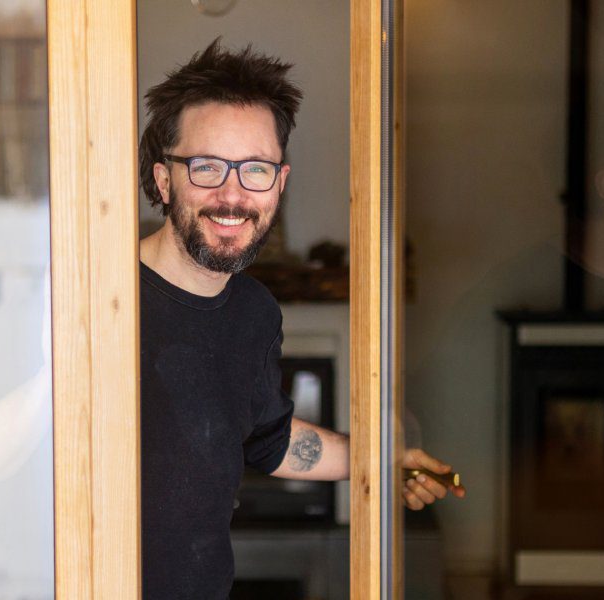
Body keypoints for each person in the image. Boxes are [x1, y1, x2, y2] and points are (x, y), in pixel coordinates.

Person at [136, 40, 463, 598]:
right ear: (165, 180)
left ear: (279, 185)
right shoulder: (101, 301)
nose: (233, 195)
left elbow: (271, 440)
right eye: (208, 167)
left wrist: (382, 460)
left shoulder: (253, 313)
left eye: (256, 170)